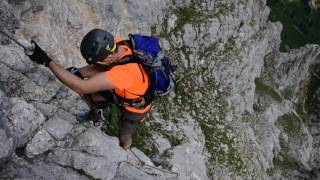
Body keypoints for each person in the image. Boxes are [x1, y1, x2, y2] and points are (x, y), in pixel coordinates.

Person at [25, 29, 152, 150]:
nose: (96, 63)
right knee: (93, 96)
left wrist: (47, 61)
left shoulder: (125, 73)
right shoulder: (116, 44)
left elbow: (81, 87)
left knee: (125, 134)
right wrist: (77, 74)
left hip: (134, 108)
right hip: (123, 90)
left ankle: (124, 150)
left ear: (108, 58)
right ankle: (95, 115)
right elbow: (96, 68)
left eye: (98, 61)